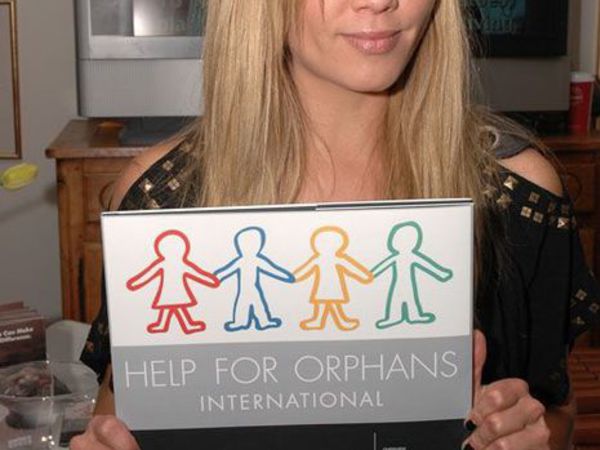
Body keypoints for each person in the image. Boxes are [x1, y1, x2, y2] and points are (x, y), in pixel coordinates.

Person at [72, 1, 600, 449]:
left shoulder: (516, 198)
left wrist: (523, 432)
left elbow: (556, 412)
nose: (378, 1)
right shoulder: (162, 201)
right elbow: (121, 412)